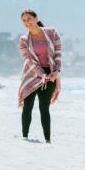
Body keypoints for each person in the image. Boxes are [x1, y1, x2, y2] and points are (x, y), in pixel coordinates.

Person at [17, 9, 62, 143]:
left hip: (51, 74)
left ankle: (47, 140)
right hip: (31, 75)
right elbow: (29, 61)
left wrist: (56, 72)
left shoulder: (52, 32)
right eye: (24, 20)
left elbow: (58, 53)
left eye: (29, 19)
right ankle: (24, 136)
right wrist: (42, 75)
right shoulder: (24, 40)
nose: (27, 22)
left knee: (44, 107)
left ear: (36, 18)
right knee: (27, 106)